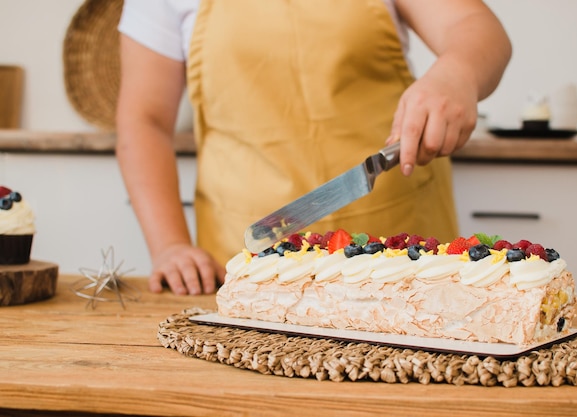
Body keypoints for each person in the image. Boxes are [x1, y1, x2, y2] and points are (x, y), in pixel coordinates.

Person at [116, 0, 512, 296]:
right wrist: (170, 245)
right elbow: (143, 121)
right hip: (248, 262)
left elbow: (474, 26)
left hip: (404, 254)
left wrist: (457, 73)